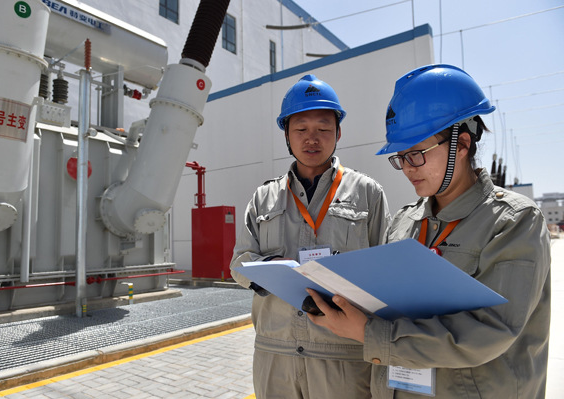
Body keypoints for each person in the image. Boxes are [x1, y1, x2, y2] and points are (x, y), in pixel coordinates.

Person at [307, 64, 551, 398]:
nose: (407, 168)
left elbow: (492, 330)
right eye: (401, 157)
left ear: (461, 144)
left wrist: (369, 334)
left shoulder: (512, 221)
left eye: (417, 155)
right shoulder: (404, 223)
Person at [230, 74, 391, 398]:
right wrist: (270, 270)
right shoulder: (265, 197)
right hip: (276, 357)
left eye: (323, 129)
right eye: (301, 129)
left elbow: (384, 270)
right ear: (287, 135)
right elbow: (239, 263)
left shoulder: (367, 193)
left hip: (343, 358)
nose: (312, 139)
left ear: (338, 133)